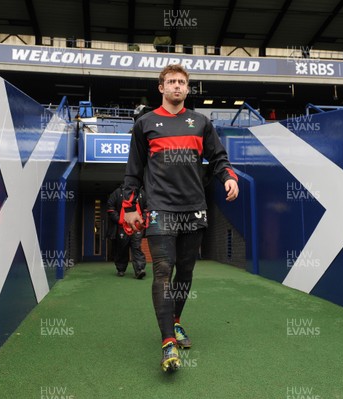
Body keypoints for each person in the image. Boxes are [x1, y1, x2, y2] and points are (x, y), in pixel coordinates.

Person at [122, 64, 239, 372]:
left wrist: (228, 176)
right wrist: (130, 204)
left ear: (187, 89)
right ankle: (166, 342)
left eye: (181, 82)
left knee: (184, 273)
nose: (176, 86)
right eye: (171, 81)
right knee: (163, 268)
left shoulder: (201, 122)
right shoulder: (144, 123)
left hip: (194, 209)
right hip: (160, 208)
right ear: (161, 88)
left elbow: (218, 157)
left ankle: (175, 322)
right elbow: (133, 169)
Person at [106, 185, 147, 279]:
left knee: (136, 247)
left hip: (137, 227)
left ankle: (139, 270)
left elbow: (146, 208)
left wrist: (142, 219)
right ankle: (121, 269)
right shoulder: (117, 192)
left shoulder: (141, 193)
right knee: (122, 247)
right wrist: (120, 220)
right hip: (122, 226)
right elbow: (110, 207)